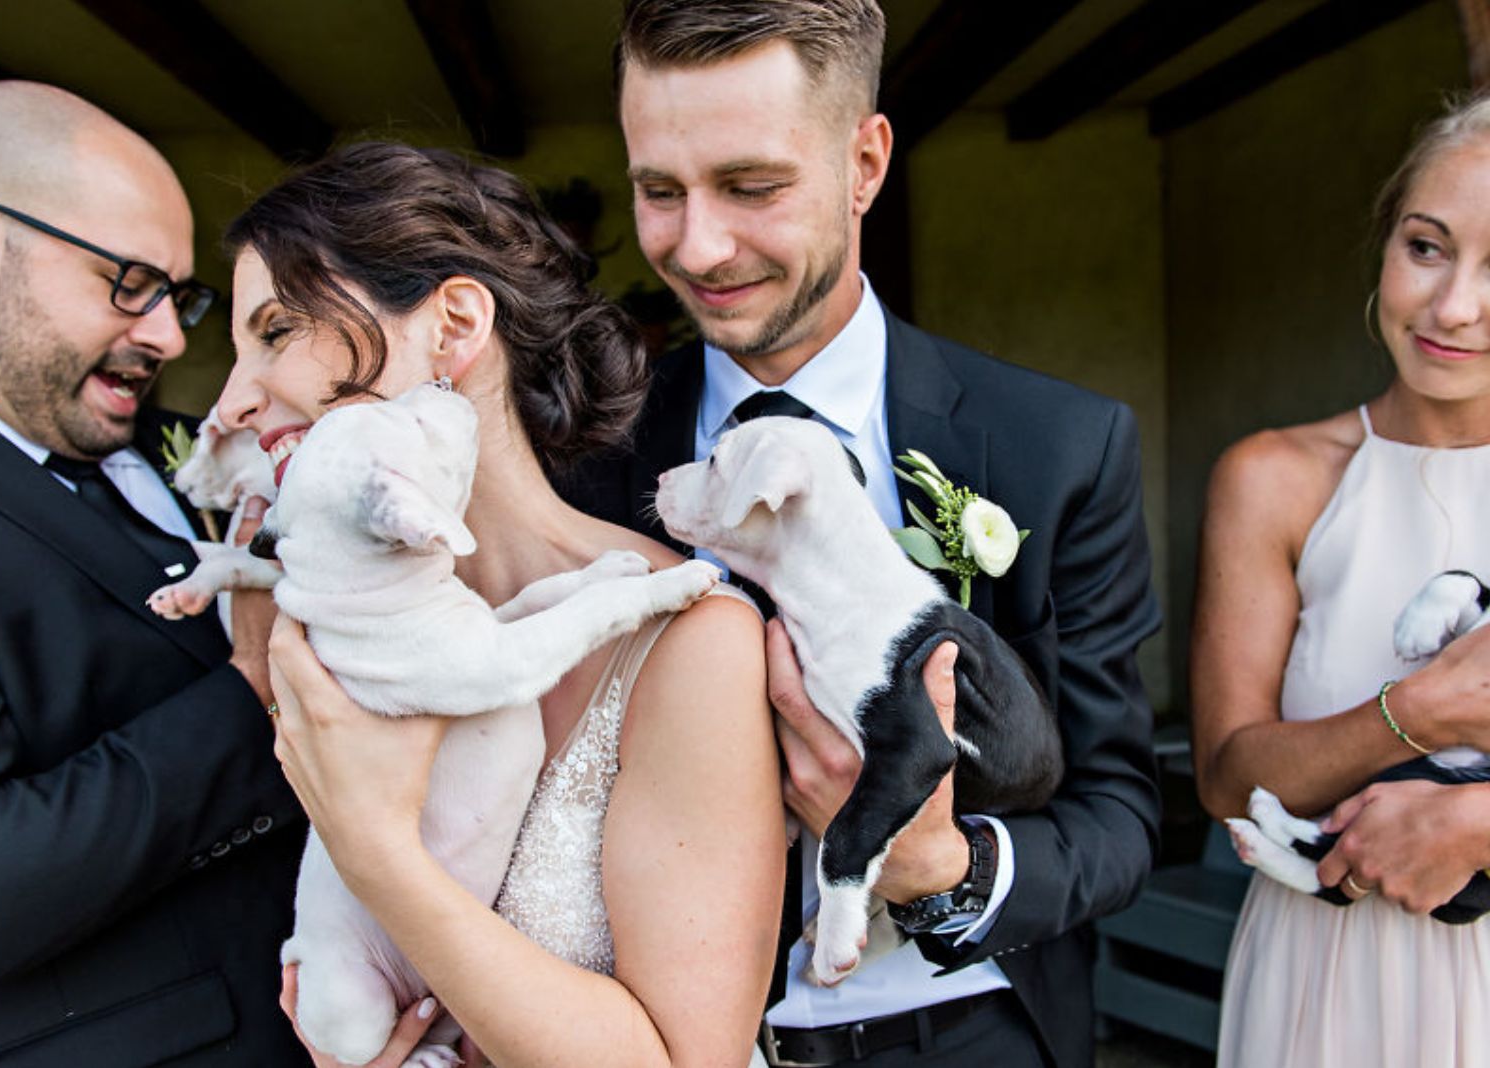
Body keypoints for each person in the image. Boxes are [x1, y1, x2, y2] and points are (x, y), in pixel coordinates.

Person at [555, 2, 1164, 1065]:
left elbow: (1115, 812)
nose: (696, 245)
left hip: (969, 1027)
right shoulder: (579, 456)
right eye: (659, 191)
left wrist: (941, 867)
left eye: (750, 186)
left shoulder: (1060, 448)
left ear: (864, 163)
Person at [216, 141, 789, 1068]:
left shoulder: (692, 640)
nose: (235, 400)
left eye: (277, 332)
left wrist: (379, 857)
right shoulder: (327, 643)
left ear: (452, 326)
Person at [0, 82, 308, 1067]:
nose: (167, 335)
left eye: (177, 293)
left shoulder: (194, 446)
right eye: (127, 281)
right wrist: (254, 693)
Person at [1194, 93, 1490, 1068]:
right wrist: (1418, 712)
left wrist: (1478, 823)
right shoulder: (1273, 479)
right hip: (1322, 982)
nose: (1452, 307)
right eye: (1426, 246)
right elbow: (1231, 782)